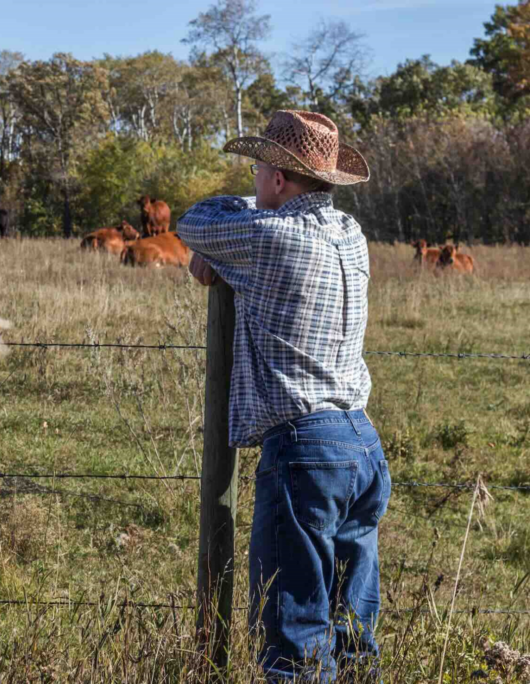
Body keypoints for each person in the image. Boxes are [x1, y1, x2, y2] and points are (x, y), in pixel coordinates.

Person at [176, 111, 391, 682]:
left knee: (295, 640)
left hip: (305, 450)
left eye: (257, 170)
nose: (252, 181)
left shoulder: (269, 237)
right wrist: (229, 256)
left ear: (276, 179)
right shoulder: (351, 234)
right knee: (351, 637)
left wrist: (219, 254)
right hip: (362, 443)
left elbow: (194, 222)